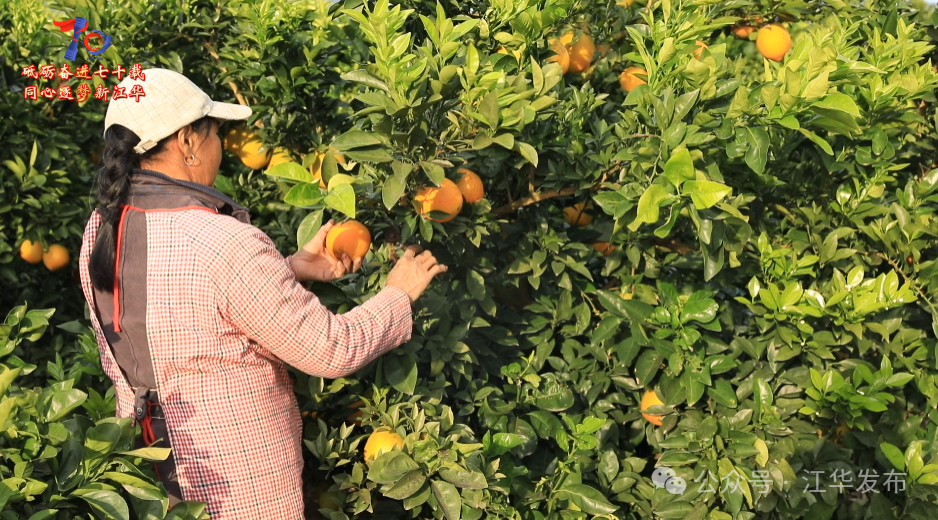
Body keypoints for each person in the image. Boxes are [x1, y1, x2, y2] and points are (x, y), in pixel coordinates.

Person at [77, 68, 446, 519]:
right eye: (214, 133)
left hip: (148, 466)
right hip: (234, 479)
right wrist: (397, 293)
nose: (221, 148)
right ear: (188, 142)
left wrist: (287, 270)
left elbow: (181, 311)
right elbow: (331, 350)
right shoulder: (219, 239)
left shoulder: (101, 229)